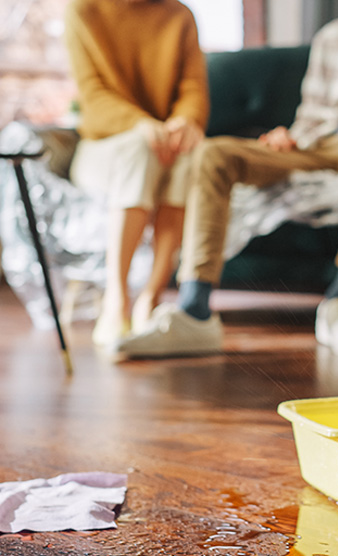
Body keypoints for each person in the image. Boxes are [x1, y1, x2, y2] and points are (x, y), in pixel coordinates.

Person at [116, 0, 338, 358]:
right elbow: (313, 114)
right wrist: (291, 137)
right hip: (326, 145)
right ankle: (194, 311)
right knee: (215, 154)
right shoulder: (334, 36)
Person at [64, 0, 209, 349]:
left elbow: (193, 89)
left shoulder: (179, 15)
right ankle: (117, 300)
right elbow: (93, 96)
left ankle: (151, 297)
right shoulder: (84, 10)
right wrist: (140, 124)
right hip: (103, 148)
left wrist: (184, 122)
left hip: (164, 147)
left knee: (195, 157)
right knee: (139, 149)